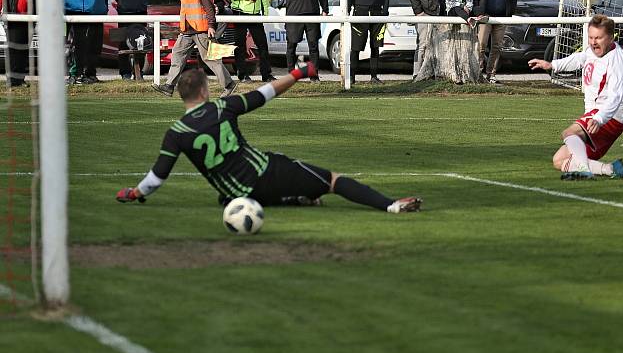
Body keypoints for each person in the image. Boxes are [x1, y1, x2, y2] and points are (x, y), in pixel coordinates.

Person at [118, 65, 422, 214]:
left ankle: (292, 199)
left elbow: (157, 178)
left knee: (229, 194)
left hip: (237, 194)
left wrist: (134, 193)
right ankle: (390, 206)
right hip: (265, 172)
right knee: (332, 180)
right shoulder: (223, 107)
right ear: (204, 91)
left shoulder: (176, 133)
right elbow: (265, 93)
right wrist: (298, 73)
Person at [528, 15, 623, 181]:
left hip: (611, 117)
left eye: (598, 38)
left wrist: (599, 118)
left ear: (611, 37)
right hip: (597, 115)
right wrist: (552, 65)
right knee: (559, 160)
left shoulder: (618, 62)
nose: (593, 42)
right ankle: (611, 169)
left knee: (569, 132)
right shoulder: (592, 52)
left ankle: (584, 171)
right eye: (591, 37)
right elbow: (579, 59)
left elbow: (616, 97)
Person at [152, 0, 237, 98]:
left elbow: (209, 7)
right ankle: (169, 86)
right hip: (186, 30)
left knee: (211, 60)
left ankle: (229, 85)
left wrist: (211, 25)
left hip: (201, 29)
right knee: (177, 55)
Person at [221, 0, 275, 83]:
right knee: (240, 45)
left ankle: (266, 74)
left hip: (255, 14)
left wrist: (266, 12)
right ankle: (243, 75)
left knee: (262, 45)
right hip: (239, 13)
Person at [472, 0, 518, 84]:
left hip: (501, 18)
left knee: (496, 47)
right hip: (485, 18)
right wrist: (478, 12)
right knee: (481, 45)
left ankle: (491, 74)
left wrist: (510, 13)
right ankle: (478, 73)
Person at [0, 0, 33, 87]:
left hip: (29, 17)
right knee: (14, 48)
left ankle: (20, 79)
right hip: (12, 17)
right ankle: (12, 80)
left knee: (24, 48)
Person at [84, 0, 108, 84]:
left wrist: (104, 8)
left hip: (99, 16)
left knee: (96, 47)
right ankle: (83, 74)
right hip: (86, 16)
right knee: (85, 47)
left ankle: (92, 74)